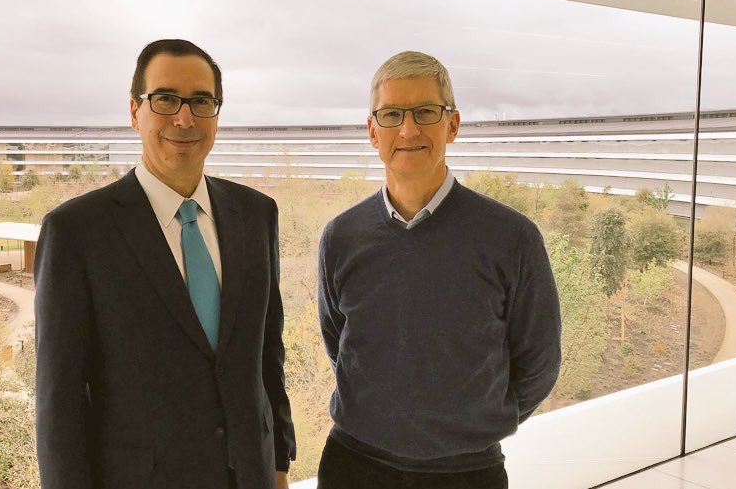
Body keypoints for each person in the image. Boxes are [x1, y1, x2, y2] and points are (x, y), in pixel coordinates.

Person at [35, 39, 296, 489]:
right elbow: (60, 400)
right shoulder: (77, 231)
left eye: (201, 101)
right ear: (135, 112)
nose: (185, 117)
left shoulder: (256, 215)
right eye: (165, 99)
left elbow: (267, 354)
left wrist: (280, 462)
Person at [317, 51, 562, 489]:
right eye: (392, 114)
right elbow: (339, 342)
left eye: (426, 112)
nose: (408, 130)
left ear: (452, 124)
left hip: (466, 473)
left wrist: (473, 423)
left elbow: (539, 362)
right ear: (373, 131)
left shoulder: (512, 237)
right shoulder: (341, 236)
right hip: (353, 466)